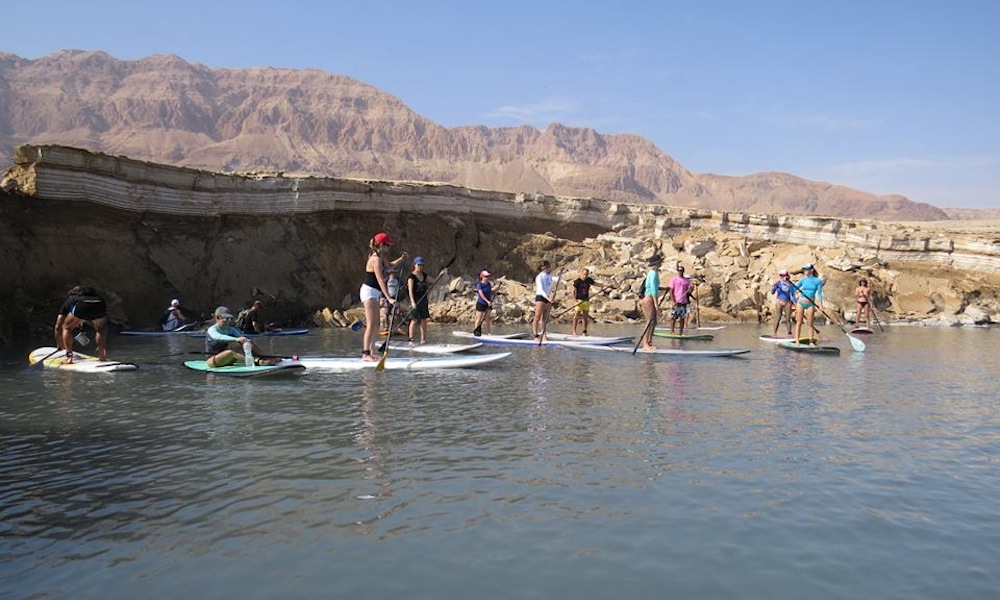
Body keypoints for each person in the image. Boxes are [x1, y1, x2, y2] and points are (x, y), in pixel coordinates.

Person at [360, 232, 407, 361]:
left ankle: (372, 352)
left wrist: (401, 259)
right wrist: (389, 298)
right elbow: (381, 280)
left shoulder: (380, 257)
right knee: (370, 324)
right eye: (387, 245)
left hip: (374, 292)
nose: (388, 247)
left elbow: (390, 265)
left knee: (375, 324)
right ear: (381, 245)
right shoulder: (375, 259)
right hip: (369, 291)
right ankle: (365, 354)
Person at [205, 306, 278, 367]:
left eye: (229, 319)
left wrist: (246, 341)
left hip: (228, 360)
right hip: (213, 361)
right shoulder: (212, 330)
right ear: (217, 318)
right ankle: (257, 362)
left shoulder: (230, 330)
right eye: (225, 319)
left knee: (247, 343)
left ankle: (266, 357)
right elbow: (219, 337)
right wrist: (236, 339)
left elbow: (242, 337)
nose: (228, 321)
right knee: (231, 352)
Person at [56, 285, 109, 362]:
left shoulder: (73, 298)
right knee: (100, 329)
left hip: (82, 306)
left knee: (66, 327)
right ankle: (102, 356)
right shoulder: (98, 297)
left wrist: (59, 344)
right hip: (99, 304)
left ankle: (69, 357)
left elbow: (58, 326)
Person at [406, 257, 446, 344]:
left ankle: (423, 339)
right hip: (415, 301)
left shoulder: (424, 275)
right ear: (414, 265)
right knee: (414, 320)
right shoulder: (411, 277)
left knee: (424, 320)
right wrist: (412, 302)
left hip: (423, 300)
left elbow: (434, 281)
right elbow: (410, 291)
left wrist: (440, 275)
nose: (420, 267)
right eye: (418, 265)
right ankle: (411, 340)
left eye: (421, 265)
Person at [793, 263, 824, 344]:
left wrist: (821, 305)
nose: (805, 271)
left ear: (811, 270)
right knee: (799, 322)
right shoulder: (803, 280)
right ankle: (797, 340)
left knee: (810, 324)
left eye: (807, 269)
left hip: (810, 304)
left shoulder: (818, 281)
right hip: (801, 302)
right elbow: (793, 289)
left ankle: (811, 341)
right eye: (804, 269)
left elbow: (820, 294)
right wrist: (788, 283)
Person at [640, 255, 664, 350]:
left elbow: (655, 287)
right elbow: (653, 290)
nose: (661, 263)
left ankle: (649, 342)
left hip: (649, 298)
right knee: (649, 321)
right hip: (649, 299)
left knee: (653, 322)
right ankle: (645, 344)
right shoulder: (653, 273)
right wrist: (656, 304)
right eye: (660, 262)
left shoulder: (653, 272)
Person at [532, 260, 559, 341]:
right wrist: (549, 298)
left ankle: (544, 335)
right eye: (547, 267)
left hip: (548, 297)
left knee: (544, 318)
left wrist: (560, 274)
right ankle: (535, 335)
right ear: (543, 268)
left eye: (548, 267)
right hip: (541, 296)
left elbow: (557, 279)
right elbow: (541, 290)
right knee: (537, 316)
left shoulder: (549, 275)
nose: (548, 268)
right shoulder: (539, 277)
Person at [571, 268, 598, 336]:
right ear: (581, 273)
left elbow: (596, 284)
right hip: (579, 301)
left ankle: (584, 332)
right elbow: (572, 291)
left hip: (586, 300)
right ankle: (574, 332)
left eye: (586, 274)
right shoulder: (577, 281)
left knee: (585, 317)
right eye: (584, 274)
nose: (585, 276)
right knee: (576, 316)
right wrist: (575, 301)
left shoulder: (588, 280)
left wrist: (605, 285)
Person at [769, 269, 797, 337]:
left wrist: (795, 301)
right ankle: (774, 333)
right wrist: (773, 287)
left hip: (788, 302)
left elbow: (793, 294)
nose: (782, 277)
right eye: (781, 275)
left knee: (788, 318)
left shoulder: (790, 284)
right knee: (778, 317)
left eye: (783, 275)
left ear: (787, 276)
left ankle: (789, 333)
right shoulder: (778, 283)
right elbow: (772, 292)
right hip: (779, 302)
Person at [667, 264, 693, 335]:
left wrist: (691, 289)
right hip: (676, 301)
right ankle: (672, 332)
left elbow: (689, 291)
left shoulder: (686, 281)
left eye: (681, 271)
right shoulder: (674, 279)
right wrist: (673, 300)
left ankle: (681, 332)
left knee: (682, 317)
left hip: (683, 301)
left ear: (683, 271)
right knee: (674, 317)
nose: (680, 272)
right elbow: (671, 291)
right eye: (679, 270)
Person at [473, 270, 495, 337]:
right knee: (479, 318)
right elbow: (481, 294)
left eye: (488, 276)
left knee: (487, 318)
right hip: (481, 303)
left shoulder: (488, 284)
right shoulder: (479, 285)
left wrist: (496, 289)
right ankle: (476, 332)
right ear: (482, 277)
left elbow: (490, 292)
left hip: (488, 304)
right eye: (486, 276)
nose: (487, 277)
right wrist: (487, 301)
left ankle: (489, 333)